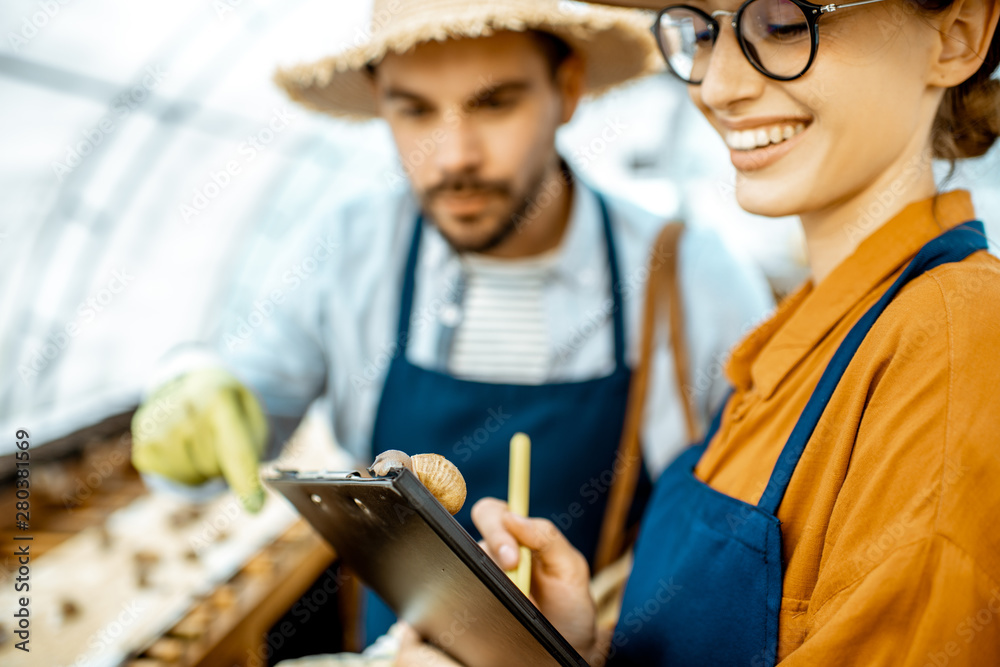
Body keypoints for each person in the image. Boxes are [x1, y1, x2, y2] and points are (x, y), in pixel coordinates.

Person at [129, 0, 773, 648]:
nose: (454, 157)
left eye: (496, 103)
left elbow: (741, 539)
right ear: (381, 102)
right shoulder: (352, 247)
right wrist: (186, 388)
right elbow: (240, 404)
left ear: (568, 89)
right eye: (415, 110)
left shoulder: (687, 278)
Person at [401, 0, 1000, 664]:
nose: (717, 86)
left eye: (782, 22)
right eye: (705, 31)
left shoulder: (961, 341)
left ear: (957, 36)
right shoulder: (797, 340)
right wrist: (571, 650)